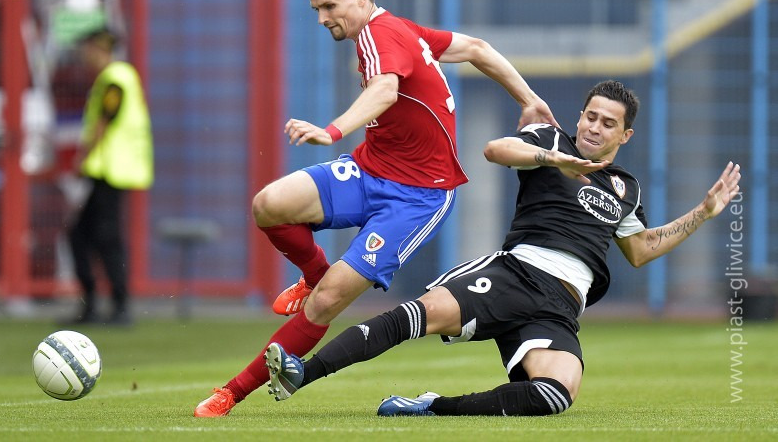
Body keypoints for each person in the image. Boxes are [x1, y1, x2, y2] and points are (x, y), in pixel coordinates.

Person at [194, 0, 557, 416]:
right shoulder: (401, 30)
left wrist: (331, 130)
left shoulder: (378, 33)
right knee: (270, 204)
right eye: (316, 10)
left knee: (327, 302)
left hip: (418, 197)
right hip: (371, 170)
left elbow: (385, 90)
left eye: (330, 6)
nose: (323, 18)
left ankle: (231, 393)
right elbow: (477, 48)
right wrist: (530, 99)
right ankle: (313, 273)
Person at [264, 79, 741, 417]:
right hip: (516, 273)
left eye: (608, 123)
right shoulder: (551, 140)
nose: (595, 128)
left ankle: (433, 407)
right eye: (590, 117)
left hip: (561, 306)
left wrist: (702, 213)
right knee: (416, 317)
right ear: (580, 117)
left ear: (625, 135)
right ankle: (302, 372)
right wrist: (552, 158)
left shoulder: (626, 188)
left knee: (555, 395)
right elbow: (495, 149)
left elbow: (640, 250)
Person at [65, 27, 153, 326]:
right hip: (108, 169)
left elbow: (105, 119)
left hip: (113, 170)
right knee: (81, 235)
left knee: (104, 237)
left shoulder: (116, 78)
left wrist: (83, 156)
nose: (83, 54)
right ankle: (97, 304)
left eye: (86, 48)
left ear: (97, 48)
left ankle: (118, 305)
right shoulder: (116, 77)